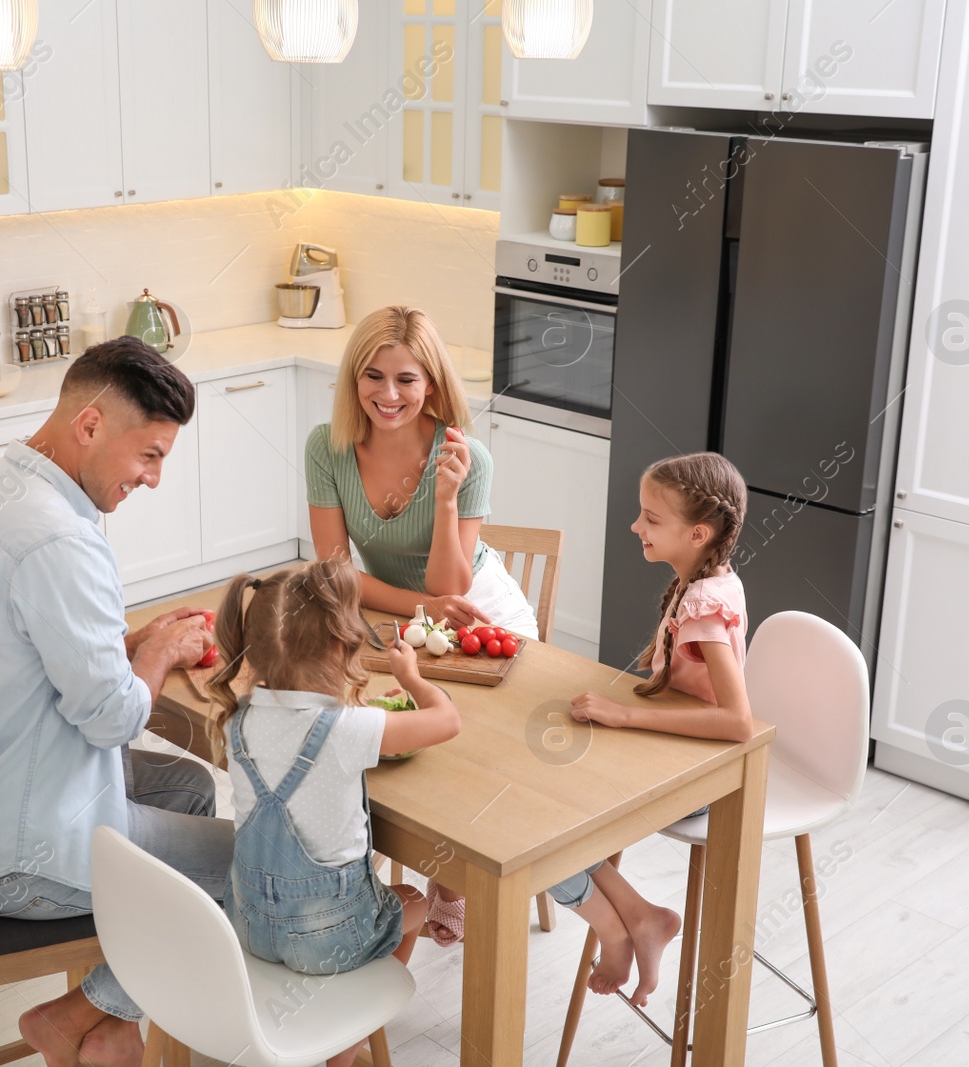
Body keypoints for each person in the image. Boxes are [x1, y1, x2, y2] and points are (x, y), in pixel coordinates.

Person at [0, 338, 232, 1067]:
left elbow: (27, 651)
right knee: (258, 869)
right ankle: (78, 1013)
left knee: (190, 786)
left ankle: (125, 1019)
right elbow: (114, 718)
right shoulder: (59, 539)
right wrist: (155, 655)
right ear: (90, 427)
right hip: (22, 855)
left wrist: (127, 643)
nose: (153, 479)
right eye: (148, 455)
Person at [306, 305, 536, 944]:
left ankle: (453, 874)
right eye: (373, 376)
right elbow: (333, 573)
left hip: (475, 603)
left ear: (431, 381)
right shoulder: (327, 449)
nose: (388, 394)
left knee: (462, 743)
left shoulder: (467, 456)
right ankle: (378, 871)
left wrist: (443, 500)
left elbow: (450, 586)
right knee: (386, 728)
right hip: (396, 609)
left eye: (406, 379)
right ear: (354, 380)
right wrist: (413, 609)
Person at [206, 559, 460, 1067]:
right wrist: (411, 678)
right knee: (412, 899)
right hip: (328, 940)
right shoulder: (347, 728)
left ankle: (334, 1035)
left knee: (368, 890)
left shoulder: (238, 721)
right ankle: (345, 1050)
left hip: (250, 926)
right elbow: (446, 720)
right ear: (337, 647)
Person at [562, 451, 755, 1006]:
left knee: (533, 820)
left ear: (697, 533)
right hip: (677, 755)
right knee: (540, 804)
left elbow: (738, 722)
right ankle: (641, 918)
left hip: (696, 781)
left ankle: (618, 927)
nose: (635, 526)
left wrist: (623, 714)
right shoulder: (711, 580)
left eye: (650, 517)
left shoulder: (703, 605)